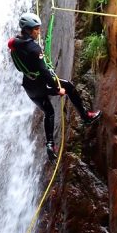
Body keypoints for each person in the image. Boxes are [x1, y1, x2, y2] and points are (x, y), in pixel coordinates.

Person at [8, 12, 102, 159]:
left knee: (49, 112)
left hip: (29, 87)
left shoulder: (15, 44)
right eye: (35, 29)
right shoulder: (34, 49)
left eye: (38, 28)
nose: (38, 31)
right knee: (69, 87)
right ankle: (85, 116)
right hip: (41, 84)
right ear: (27, 29)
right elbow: (45, 73)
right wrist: (57, 89)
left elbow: (20, 66)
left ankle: (50, 146)